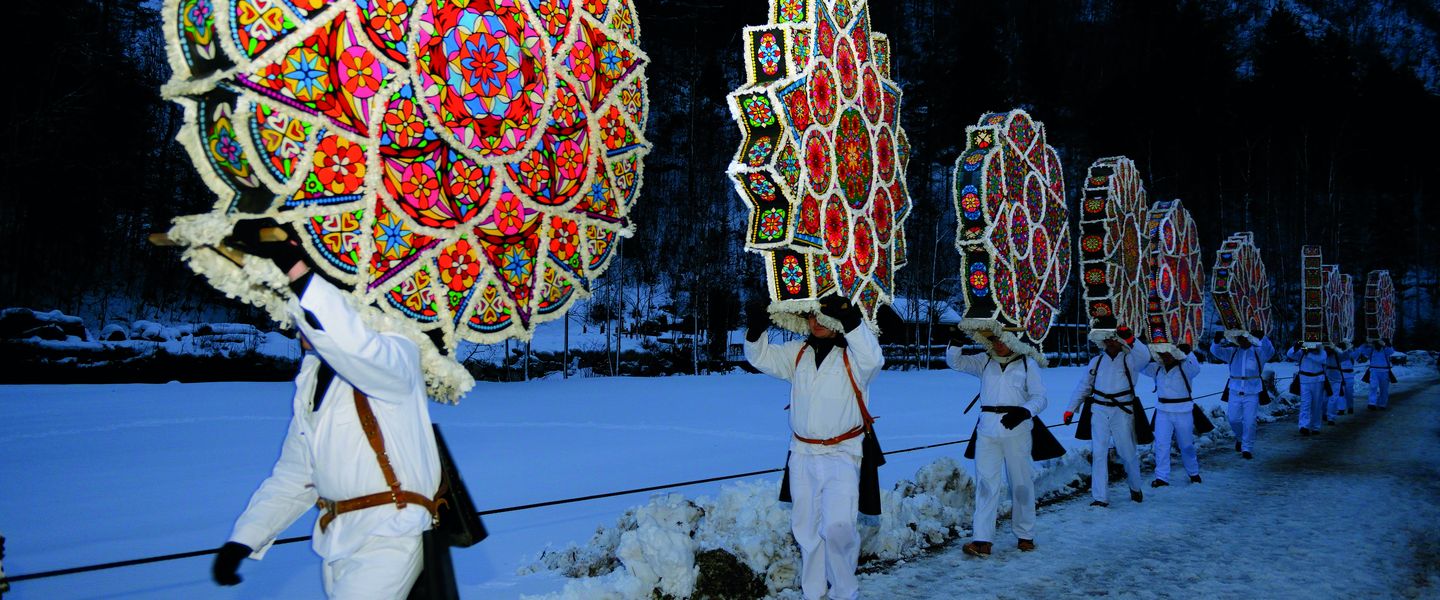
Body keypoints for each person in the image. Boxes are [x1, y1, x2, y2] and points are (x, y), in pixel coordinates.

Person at [210, 220, 442, 599]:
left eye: (302, 307)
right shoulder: (312, 381)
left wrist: (297, 269)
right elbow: (294, 477)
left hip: (390, 533)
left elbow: (351, 344)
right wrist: (244, 539)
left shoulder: (396, 355)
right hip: (335, 540)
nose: (294, 317)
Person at [744, 295, 878, 600]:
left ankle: (845, 592)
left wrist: (851, 320)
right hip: (802, 453)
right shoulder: (798, 353)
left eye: (823, 317)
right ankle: (813, 593)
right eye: (812, 317)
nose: (816, 322)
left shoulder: (854, 357)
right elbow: (760, 358)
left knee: (838, 527)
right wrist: (755, 330)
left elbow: (874, 359)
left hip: (842, 453)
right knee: (805, 529)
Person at [945, 323, 1052, 557]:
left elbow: (1040, 397)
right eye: (994, 340)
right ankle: (982, 539)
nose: (998, 345)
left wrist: (1024, 411)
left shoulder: (1027, 363)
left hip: (1017, 430)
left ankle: (1025, 535)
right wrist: (956, 342)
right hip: (987, 430)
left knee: (1020, 482)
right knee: (986, 484)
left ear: (1014, 341)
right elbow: (956, 362)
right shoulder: (985, 361)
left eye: (1003, 340)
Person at [1066, 324, 1151, 507]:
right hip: (1099, 410)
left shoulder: (1131, 359)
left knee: (1127, 452)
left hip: (1122, 411)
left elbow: (1145, 356)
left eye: (1114, 339)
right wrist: (1071, 408)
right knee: (1098, 453)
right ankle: (1100, 497)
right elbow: (1084, 386)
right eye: (1107, 339)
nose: (1110, 342)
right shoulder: (1096, 361)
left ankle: (1135, 487)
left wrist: (1130, 338)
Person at [1141, 345, 1203, 487]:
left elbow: (1196, 369)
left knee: (1186, 444)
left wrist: (1188, 352)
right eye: (1162, 354)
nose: (1166, 357)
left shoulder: (1185, 368)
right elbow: (1140, 365)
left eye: (1169, 354)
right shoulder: (1156, 368)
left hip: (1183, 411)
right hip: (1163, 411)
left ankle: (1193, 472)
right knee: (1161, 444)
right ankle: (1162, 476)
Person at [1209, 330, 1275, 459]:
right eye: (1239, 339)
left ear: (1249, 338)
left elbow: (1270, 351)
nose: (1241, 341)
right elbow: (1216, 351)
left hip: (1252, 391)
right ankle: (1240, 438)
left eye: (1243, 338)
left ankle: (1247, 447)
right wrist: (1216, 341)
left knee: (1250, 421)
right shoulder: (1232, 352)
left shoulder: (1258, 352)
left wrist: (1264, 338)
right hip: (1234, 390)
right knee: (1233, 419)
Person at [1286, 341, 1329, 435]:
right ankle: (1304, 426)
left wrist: (1308, 353)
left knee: (1316, 404)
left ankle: (1316, 427)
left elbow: (1321, 359)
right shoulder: (1302, 352)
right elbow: (1289, 354)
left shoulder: (1322, 351)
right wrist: (1296, 346)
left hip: (1317, 380)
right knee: (1305, 403)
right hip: (1304, 380)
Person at [1359, 339, 1399, 410]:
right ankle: (1372, 403)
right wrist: (1365, 344)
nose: (1376, 345)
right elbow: (1364, 351)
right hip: (1374, 370)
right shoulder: (1371, 350)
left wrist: (1385, 344)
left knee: (1384, 389)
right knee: (1373, 386)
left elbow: (1391, 351)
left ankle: (1382, 404)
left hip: (1385, 371)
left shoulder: (1385, 349)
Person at [1335, 342, 1359, 415]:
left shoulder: (1350, 353)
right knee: (1341, 393)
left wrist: (1351, 348)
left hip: (1349, 375)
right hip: (1340, 374)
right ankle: (1341, 409)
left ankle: (1350, 407)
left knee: (1349, 393)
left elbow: (1355, 355)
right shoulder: (1338, 354)